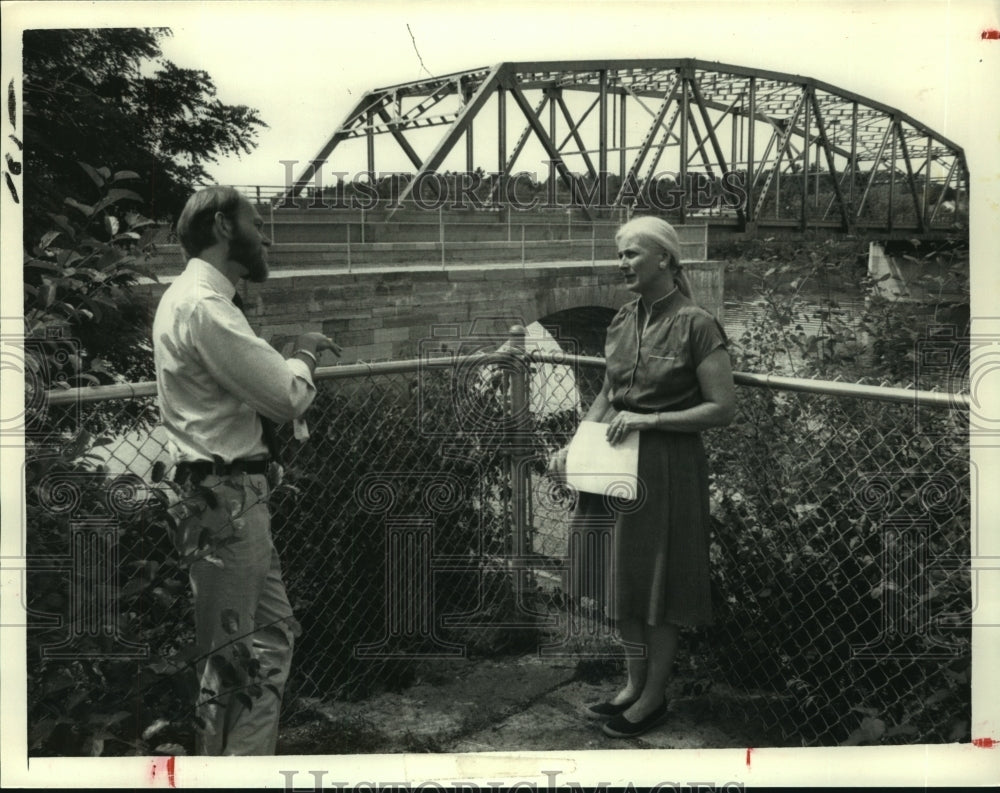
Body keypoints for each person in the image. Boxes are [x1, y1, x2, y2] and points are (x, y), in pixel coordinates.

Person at [152, 186, 341, 755]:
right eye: (256, 223)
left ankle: (243, 764)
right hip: (223, 501)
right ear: (223, 227)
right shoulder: (205, 306)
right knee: (231, 656)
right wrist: (303, 351)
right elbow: (286, 396)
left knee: (269, 639)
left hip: (229, 497)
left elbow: (238, 392)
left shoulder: (197, 298)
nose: (267, 237)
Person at [548, 215, 735, 739]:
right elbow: (609, 394)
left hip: (665, 469)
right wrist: (576, 443)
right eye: (621, 254)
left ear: (666, 260)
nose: (622, 262)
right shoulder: (622, 319)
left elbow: (722, 408)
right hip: (613, 463)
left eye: (632, 253)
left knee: (659, 583)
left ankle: (655, 697)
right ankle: (632, 685)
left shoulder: (698, 323)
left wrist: (651, 419)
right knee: (621, 580)